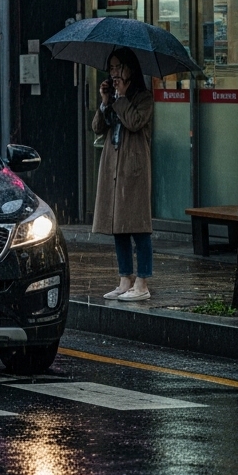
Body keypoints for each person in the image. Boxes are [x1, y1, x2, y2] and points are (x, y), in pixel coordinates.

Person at [91, 47, 155, 302]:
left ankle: (143, 281)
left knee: (138, 225)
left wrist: (121, 99)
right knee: (118, 225)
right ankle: (124, 278)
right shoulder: (115, 97)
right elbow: (97, 127)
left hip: (134, 166)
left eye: (118, 67)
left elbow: (134, 122)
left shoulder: (144, 98)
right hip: (113, 165)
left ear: (130, 69)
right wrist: (106, 102)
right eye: (111, 68)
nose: (114, 73)